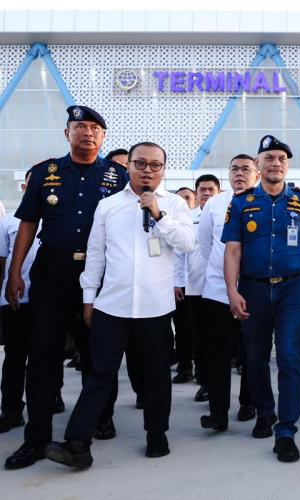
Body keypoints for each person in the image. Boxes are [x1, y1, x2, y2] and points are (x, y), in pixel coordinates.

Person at [44, 141, 195, 468]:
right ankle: (77, 443)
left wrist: (158, 214)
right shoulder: (108, 206)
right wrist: (89, 298)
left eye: (155, 165)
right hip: (111, 306)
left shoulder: (175, 205)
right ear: (128, 167)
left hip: (155, 309)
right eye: (140, 163)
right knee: (100, 374)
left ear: (163, 170)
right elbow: (95, 255)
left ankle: (157, 434)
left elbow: (187, 244)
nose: (148, 170)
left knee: (156, 376)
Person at [4, 106, 128, 470]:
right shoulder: (46, 172)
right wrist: (14, 272)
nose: (87, 132)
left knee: (97, 352)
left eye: (94, 128)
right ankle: (36, 439)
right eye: (80, 127)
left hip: (99, 272)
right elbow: (28, 224)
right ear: (67, 133)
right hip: (52, 273)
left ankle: (100, 419)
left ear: (103, 136)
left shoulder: (117, 176)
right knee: (42, 356)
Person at [222, 135, 300, 463]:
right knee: (255, 357)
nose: (275, 163)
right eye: (269, 158)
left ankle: (287, 429)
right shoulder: (241, 203)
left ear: (287, 165)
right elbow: (233, 249)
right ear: (258, 164)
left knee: (291, 357)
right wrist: (232, 290)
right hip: (253, 289)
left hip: (293, 289)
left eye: (281, 158)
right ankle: (265, 411)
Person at [197, 155, 259, 432]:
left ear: (256, 173)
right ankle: (217, 413)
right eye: (234, 168)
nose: (239, 173)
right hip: (218, 291)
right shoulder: (215, 203)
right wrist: (225, 274)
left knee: (252, 351)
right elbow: (206, 245)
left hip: (253, 289)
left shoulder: (265, 201)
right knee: (217, 353)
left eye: (246, 169)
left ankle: (249, 402)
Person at [0, 169, 43, 433]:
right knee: (16, 355)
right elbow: (2, 262)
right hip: (17, 300)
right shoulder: (9, 223)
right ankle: (12, 409)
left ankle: (52, 400)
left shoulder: (60, 219)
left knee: (47, 357)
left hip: (52, 299)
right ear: (25, 189)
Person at [173, 175, 219, 397]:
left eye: (211, 189)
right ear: (196, 193)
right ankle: (205, 381)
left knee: (218, 338)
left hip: (221, 288)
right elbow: (179, 253)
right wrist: (178, 282)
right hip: (195, 287)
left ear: (218, 192)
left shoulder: (226, 215)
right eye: (202, 190)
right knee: (198, 337)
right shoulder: (188, 219)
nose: (207, 193)